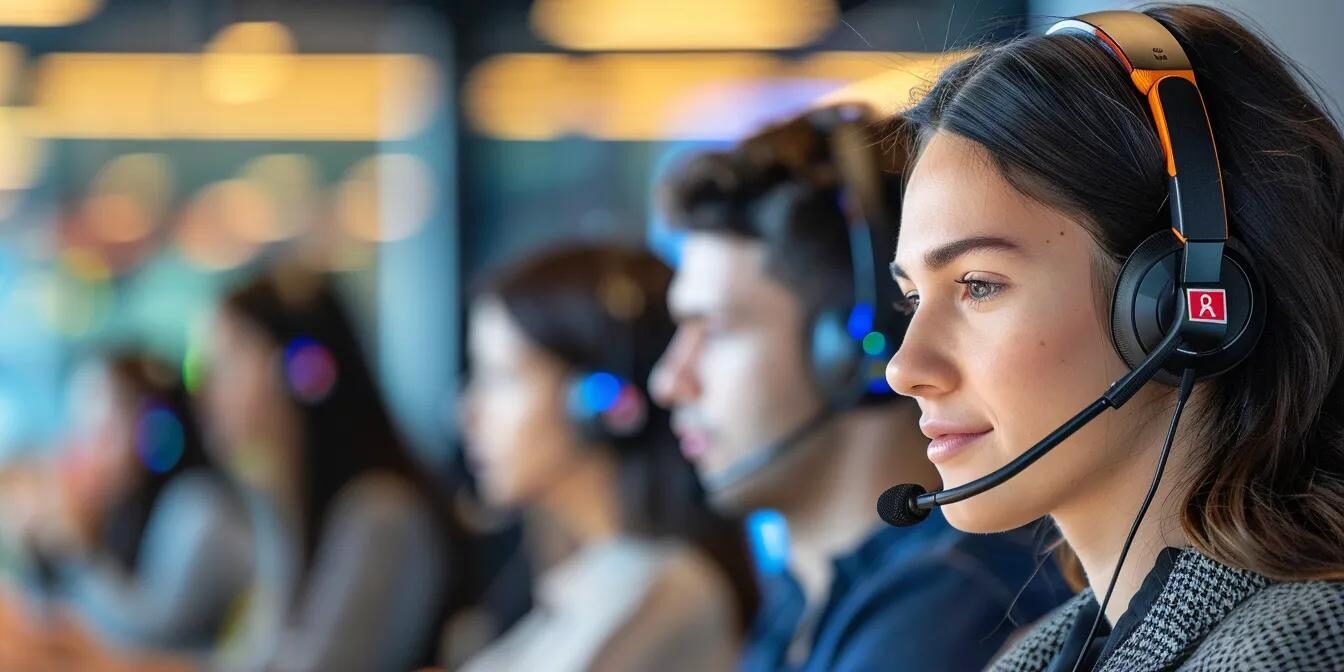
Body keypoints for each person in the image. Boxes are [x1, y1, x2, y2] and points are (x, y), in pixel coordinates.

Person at [888, 5, 1344, 670]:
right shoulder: (1043, 658)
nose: (906, 368)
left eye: (978, 284)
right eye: (912, 298)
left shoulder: (1293, 651)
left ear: (1185, 302)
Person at [649, 104, 1069, 672]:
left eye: (715, 330)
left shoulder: (949, 610)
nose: (670, 382)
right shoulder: (801, 600)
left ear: (851, 345)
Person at [459, 244, 759, 672]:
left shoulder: (667, 596)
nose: (469, 412)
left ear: (595, 402)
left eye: (500, 377)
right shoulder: (579, 585)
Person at [201, 268, 452, 672]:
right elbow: (254, 659)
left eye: (229, 360)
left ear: (300, 372)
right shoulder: (286, 501)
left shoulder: (380, 513)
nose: (209, 388)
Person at [27, 353, 250, 652]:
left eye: (103, 429)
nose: (84, 448)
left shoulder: (198, 508)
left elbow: (152, 640)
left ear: (157, 435)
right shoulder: (124, 510)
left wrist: (75, 553)